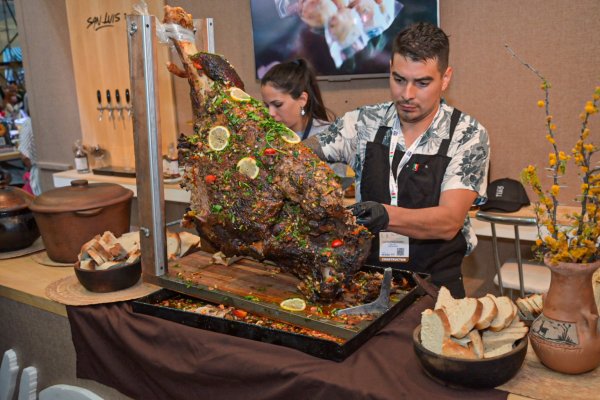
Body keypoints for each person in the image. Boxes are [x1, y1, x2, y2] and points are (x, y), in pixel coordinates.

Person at [304, 22, 490, 297]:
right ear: (390, 67)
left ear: (446, 77)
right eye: (399, 79)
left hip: (437, 286)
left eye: (422, 83)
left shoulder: (468, 135)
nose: (407, 94)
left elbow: (448, 221)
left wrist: (384, 215)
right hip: (368, 279)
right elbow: (305, 150)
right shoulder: (362, 124)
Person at [260, 58, 335, 140]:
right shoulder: (268, 136)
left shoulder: (330, 136)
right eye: (267, 106)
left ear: (302, 99)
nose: (271, 113)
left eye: (278, 104)